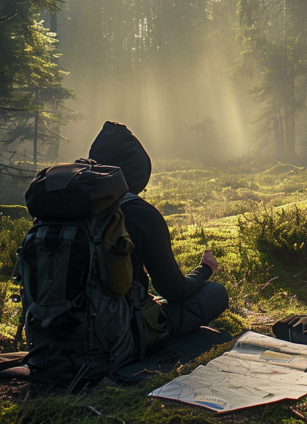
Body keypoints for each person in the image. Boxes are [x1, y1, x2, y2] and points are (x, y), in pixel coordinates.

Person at [88, 121, 229, 348]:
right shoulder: (138, 213)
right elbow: (176, 291)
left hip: (53, 334)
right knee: (215, 293)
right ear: (138, 170)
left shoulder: (69, 206)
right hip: (117, 336)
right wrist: (205, 269)